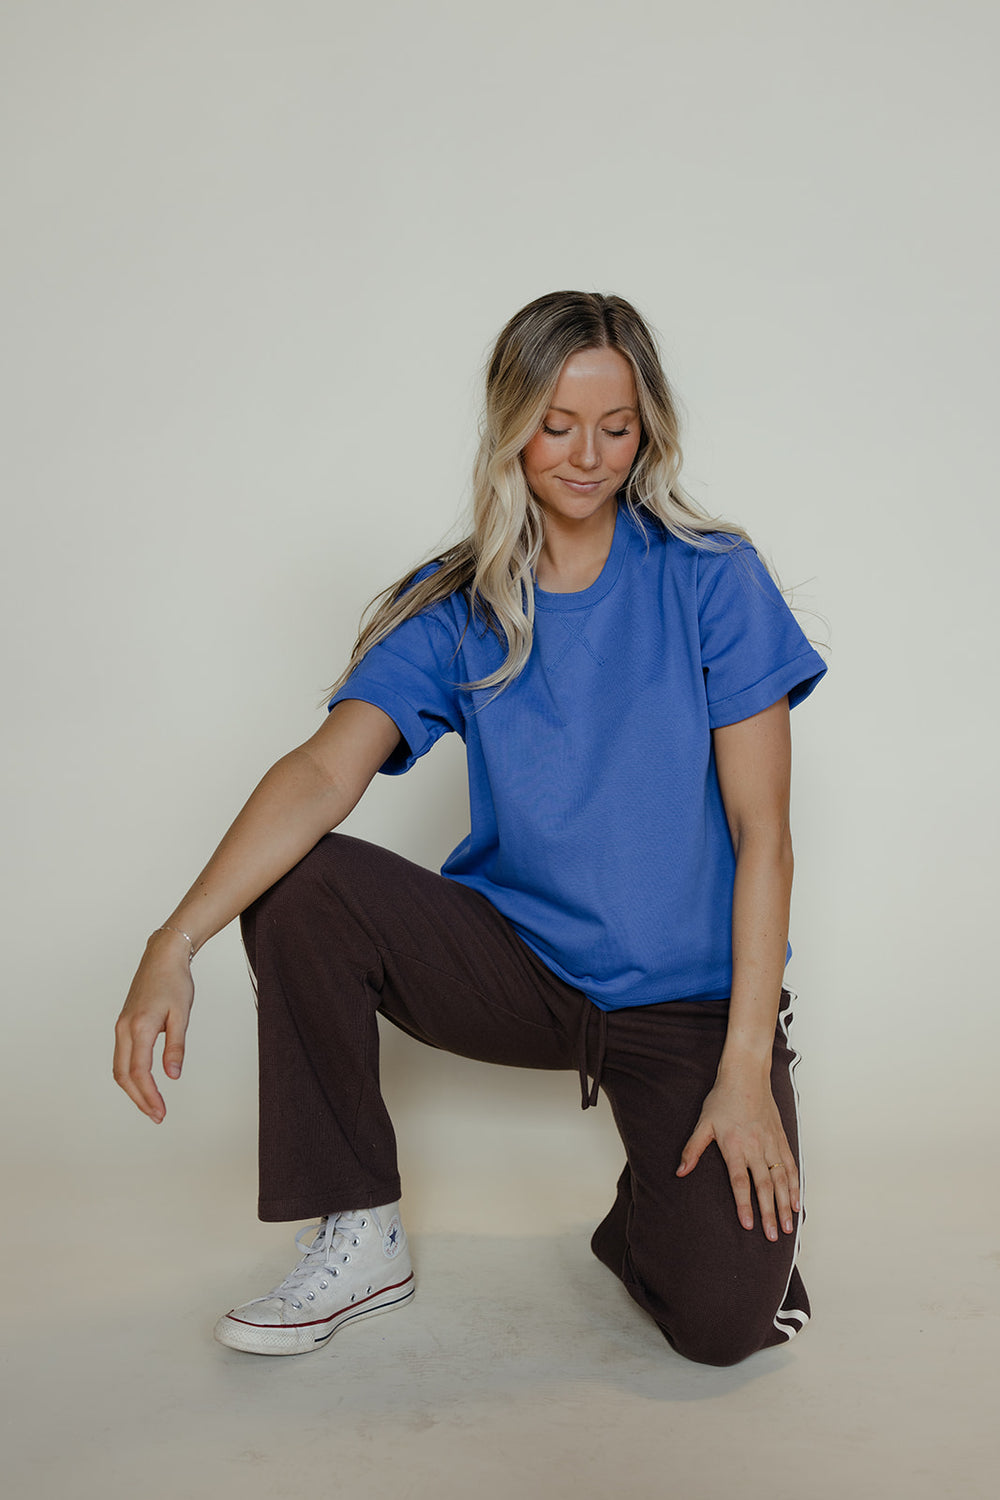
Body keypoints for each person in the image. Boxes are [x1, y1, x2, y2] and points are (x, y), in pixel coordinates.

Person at [113, 290, 827, 1368]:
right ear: (509, 424)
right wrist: (172, 943)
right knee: (303, 886)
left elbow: (761, 831)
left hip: (690, 1005)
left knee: (725, 1328)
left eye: (615, 426)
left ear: (648, 430)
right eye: (556, 423)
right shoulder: (457, 602)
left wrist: (740, 1067)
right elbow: (319, 773)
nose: (587, 455)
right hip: (523, 972)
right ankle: (361, 1228)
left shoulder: (711, 577)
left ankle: (651, 1215)